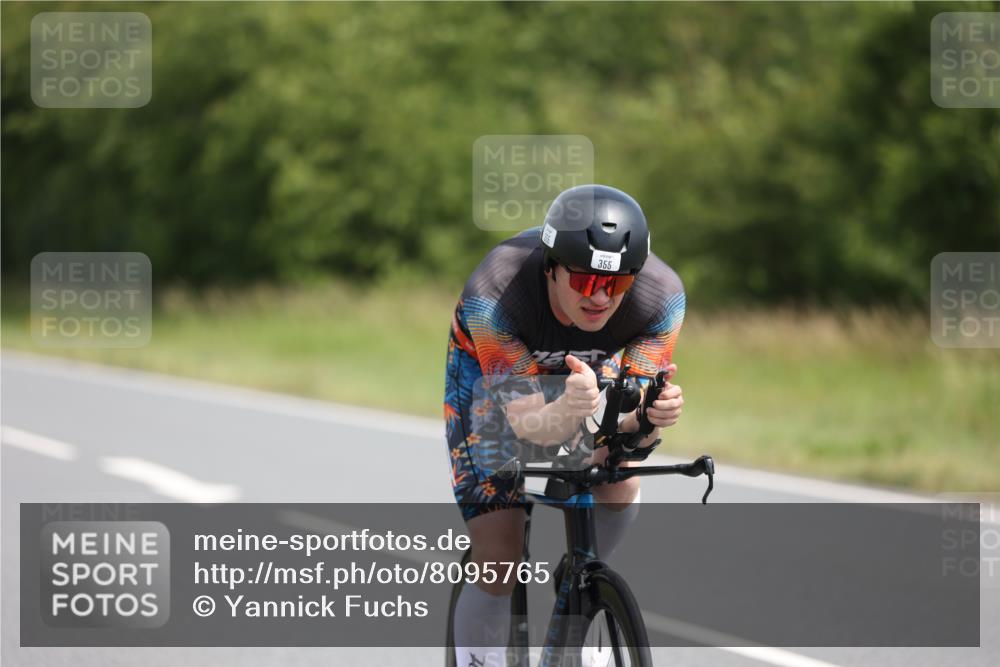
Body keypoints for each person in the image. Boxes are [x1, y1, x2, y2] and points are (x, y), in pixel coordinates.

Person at [443, 184, 686, 667]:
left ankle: (581, 586)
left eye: (616, 285)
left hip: (583, 376)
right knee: (499, 554)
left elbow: (630, 432)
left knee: (618, 481)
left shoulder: (662, 298)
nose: (599, 298)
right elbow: (528, 425)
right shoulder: (495, 294)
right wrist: (569, 412)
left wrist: (653, 417)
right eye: (583, 282)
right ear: (551, 266)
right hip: (494, 379)